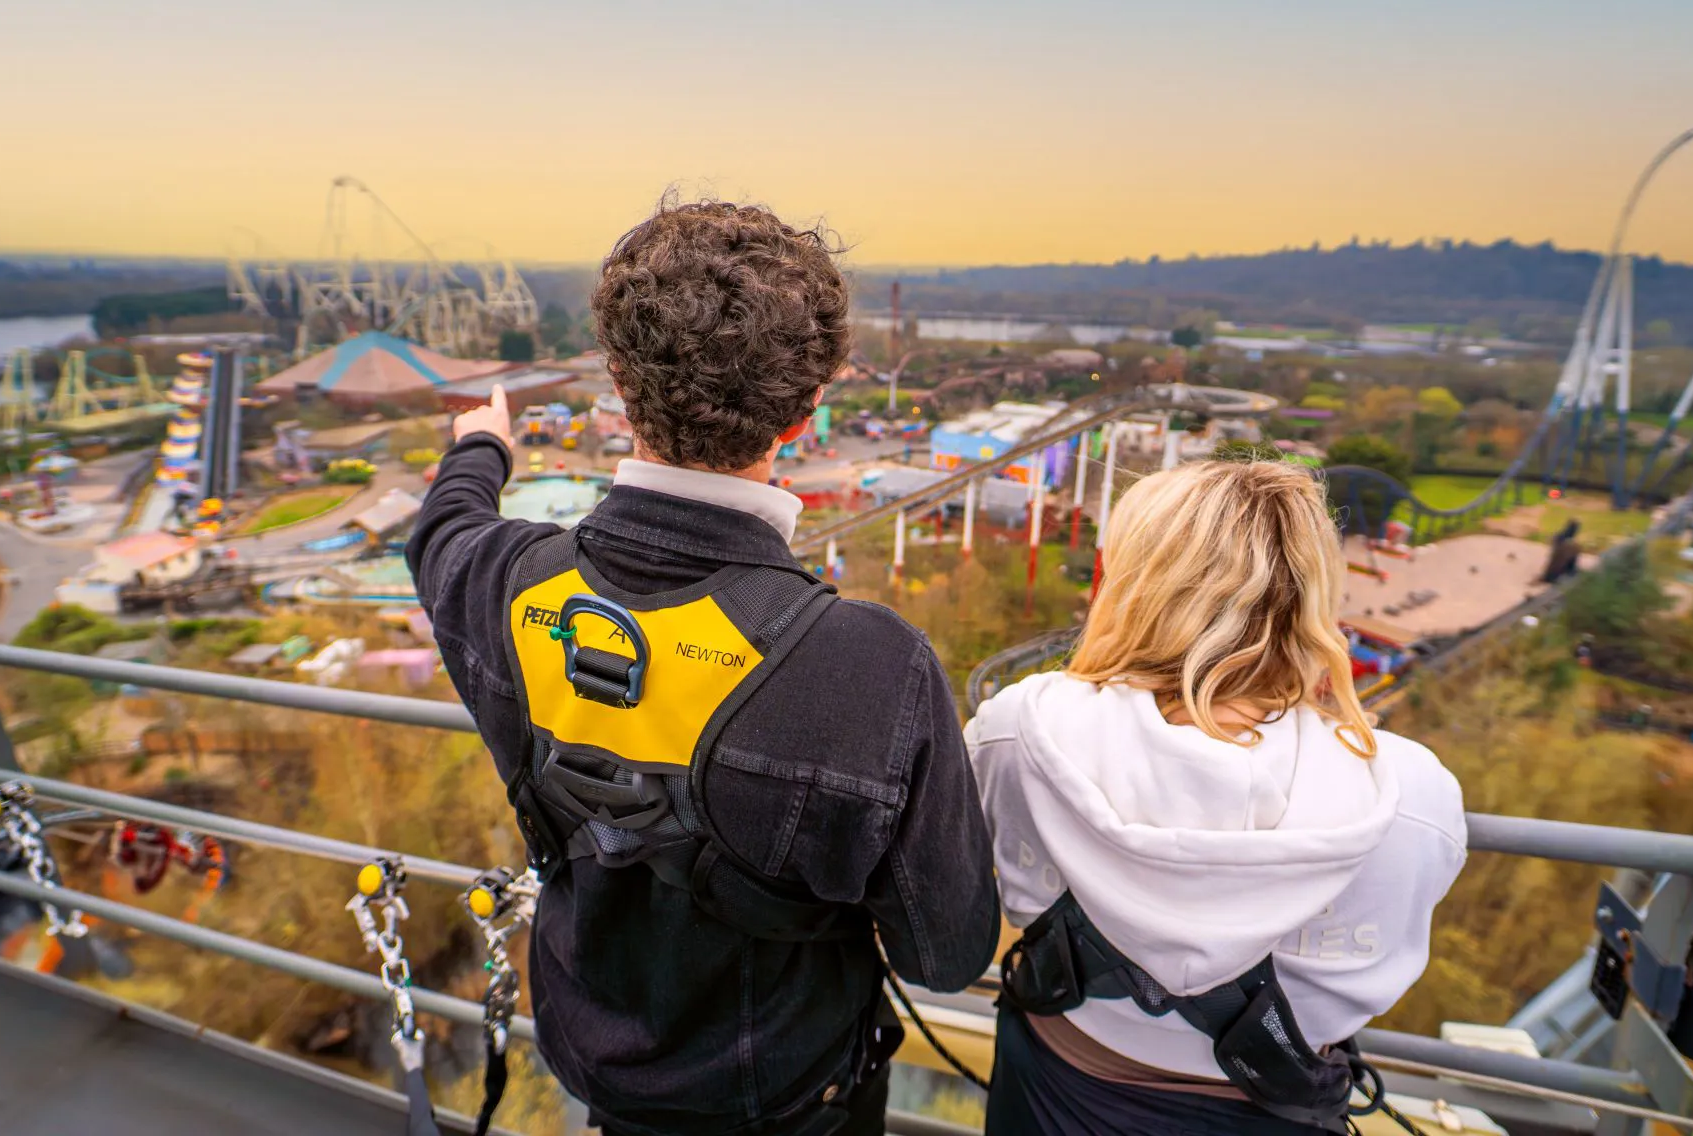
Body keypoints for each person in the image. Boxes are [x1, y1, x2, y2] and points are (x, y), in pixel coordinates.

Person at [407, 200, 1000, 1136]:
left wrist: (481, 448)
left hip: (599, 1069)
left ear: (618, 385)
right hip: (792, 1097)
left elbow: (441, 532)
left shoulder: (503, 585)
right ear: (808, 411)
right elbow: (946, 950)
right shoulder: (872, 668)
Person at [966, 460, 1467, 1135]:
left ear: (1132, 583)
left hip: (1055, 1089)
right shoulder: (1408, 796)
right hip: (1270, 1105)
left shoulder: (1019, 730)